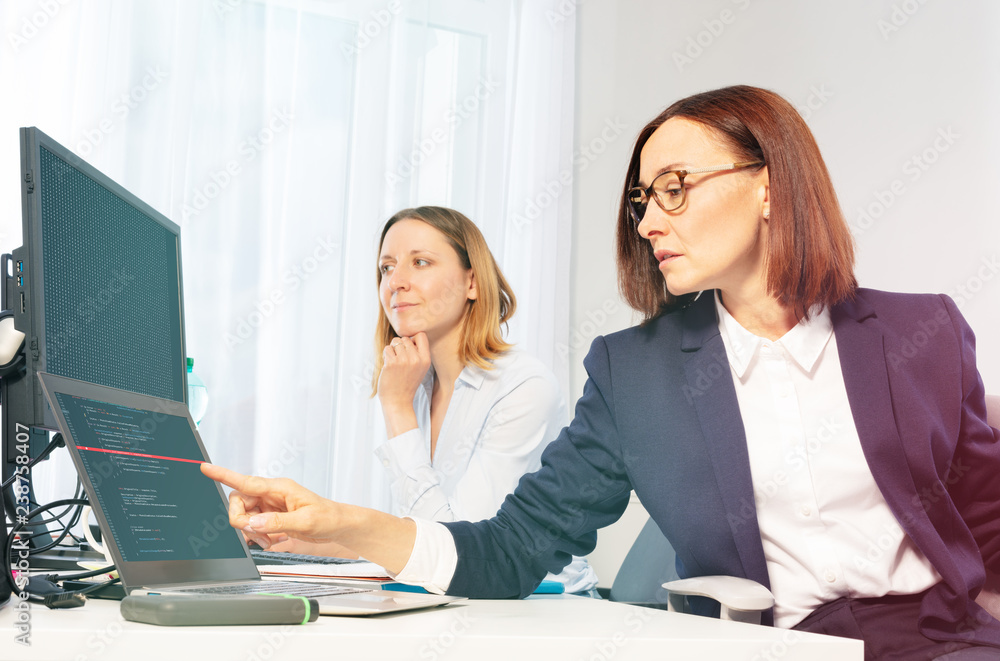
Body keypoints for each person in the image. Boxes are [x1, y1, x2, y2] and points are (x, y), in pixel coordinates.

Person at [203, 86, 1000, 657]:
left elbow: (988, 523)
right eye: (643, 200)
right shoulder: (636, 371)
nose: (650, 219)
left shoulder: (919, 330)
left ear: (768, 186)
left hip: (949, 639)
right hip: (784, 647)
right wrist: (341, 523)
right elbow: (510, 549)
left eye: (676, 190)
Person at [246, 205, 597, 593]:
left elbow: (459, 553)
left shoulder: (524, 387)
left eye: (421, 262)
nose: (396, 281)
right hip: (465, 603)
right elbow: (411, 537)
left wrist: (396, 409)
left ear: (473, 284)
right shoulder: (416, 385)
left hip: (548, 609)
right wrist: (305, 537)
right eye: (386, 267)